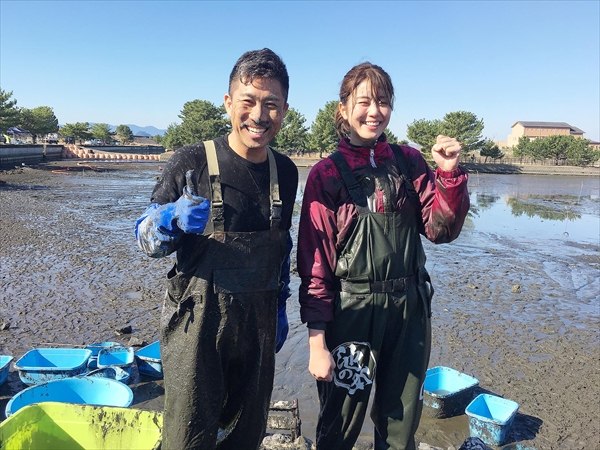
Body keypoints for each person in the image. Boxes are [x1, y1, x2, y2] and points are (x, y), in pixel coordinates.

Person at [297, 62, 470, 450]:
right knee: (338, 423)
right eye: (364, 101)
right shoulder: (326, 174)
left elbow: (440, 231)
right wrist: (317, 343)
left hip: (409, 311)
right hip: (352, 312)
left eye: (383, 101)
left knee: (400, 421)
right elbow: (315, 264)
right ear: (343, 108)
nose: (374, 111)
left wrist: (448, 176)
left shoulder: (408, 162)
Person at [135, 48, 298, 449]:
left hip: (258, 329)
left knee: (246, 431)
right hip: (197, 330)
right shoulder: (190, 162)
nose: (259, 116)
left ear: (284, 110)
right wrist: (169, 219)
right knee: (189, 434)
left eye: (271, 105)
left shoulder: (286, 173)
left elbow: (282, 248)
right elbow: (144, 239)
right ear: (229, 103)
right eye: (249, 102)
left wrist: (280, 306)